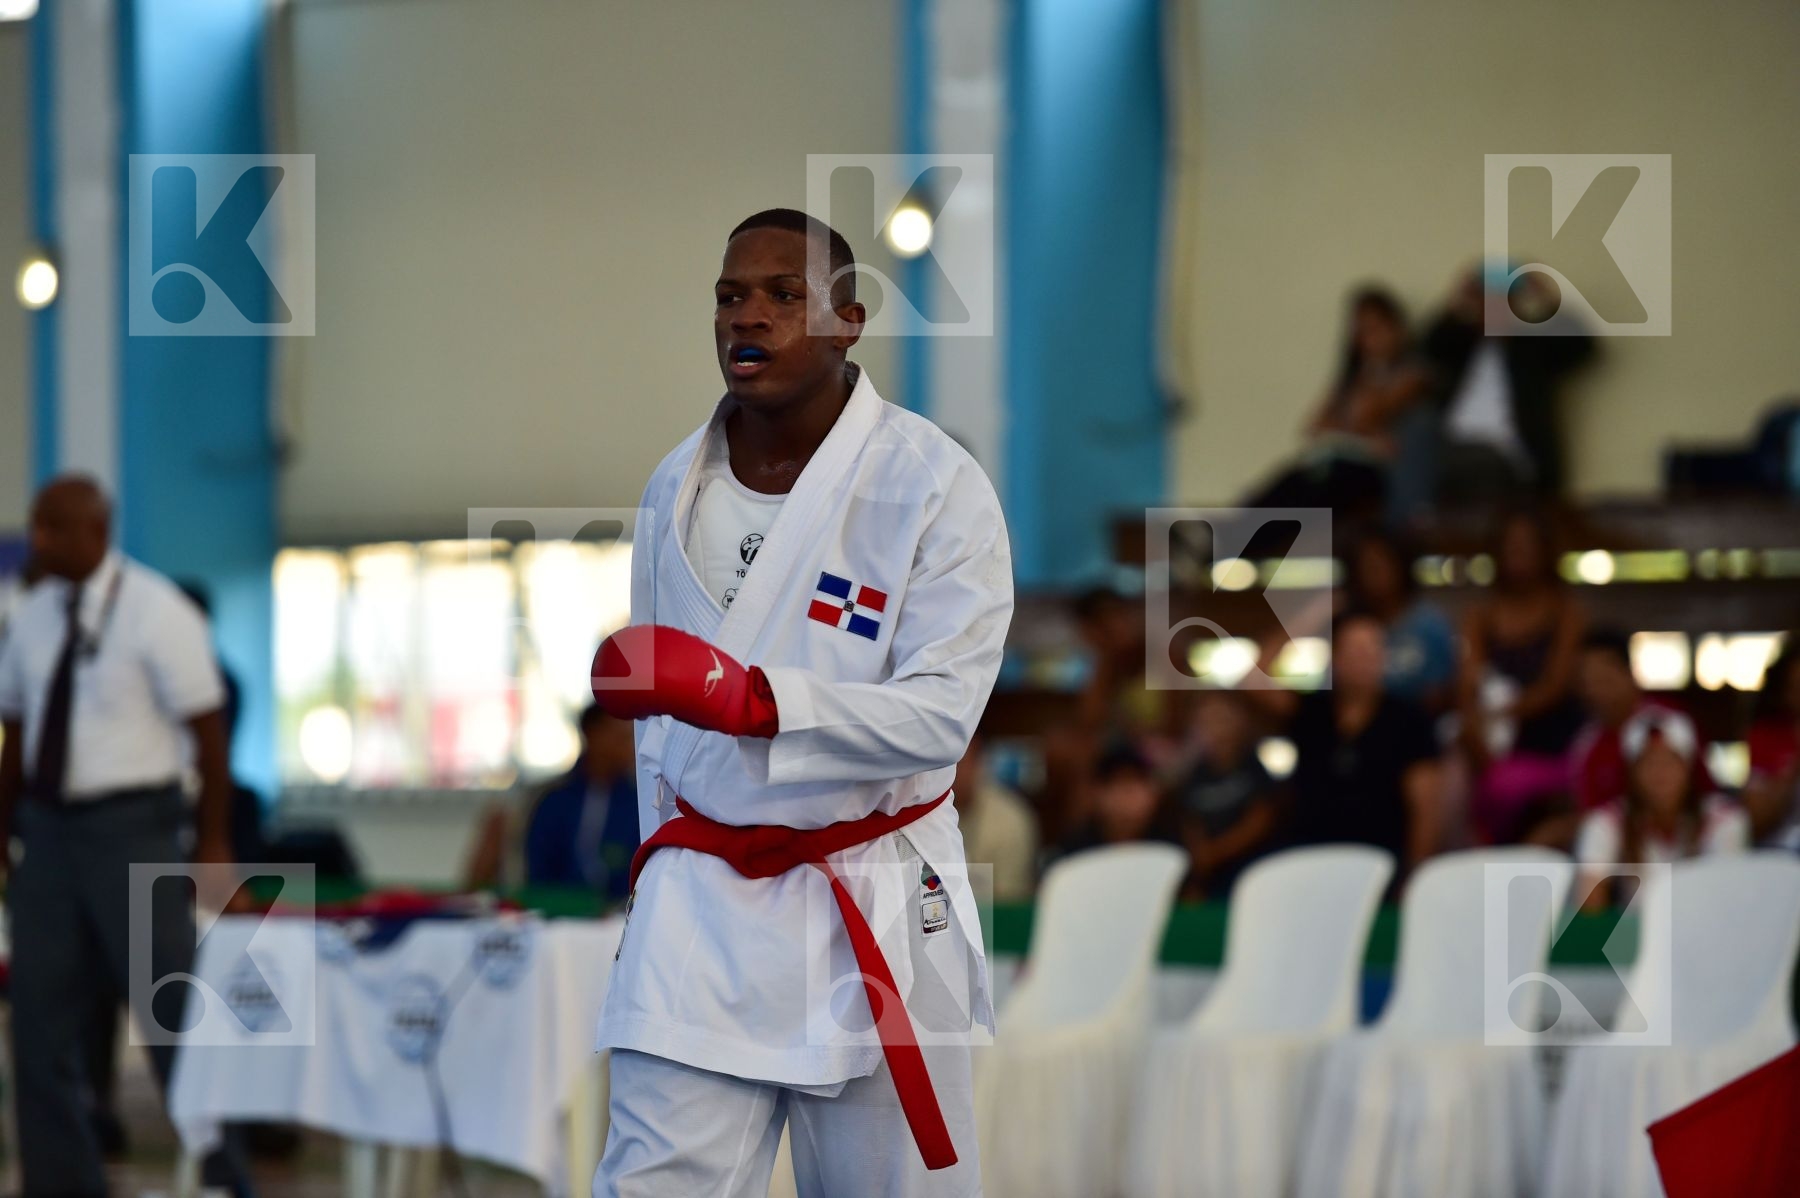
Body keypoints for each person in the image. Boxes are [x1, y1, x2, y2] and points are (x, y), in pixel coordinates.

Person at [586, 210, 1012, 1195]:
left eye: (785, 296)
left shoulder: (932, 483)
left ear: (848, 322)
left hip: (877, 887)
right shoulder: (672, 485)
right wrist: (655, 870)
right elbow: (659, 734)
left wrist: (757, 700)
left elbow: (945, 713)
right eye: (733, 296)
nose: (754, 316)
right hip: (702, 900)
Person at [0, 476, 252, 1197]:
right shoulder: (30, 613)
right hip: (46, 834)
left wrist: (213, 842)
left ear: (96, 532)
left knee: (172, 1013)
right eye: (36, 525)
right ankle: (61, 1183)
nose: (39, 539)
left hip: (132, 829)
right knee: (39, 1024)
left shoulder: (157, 611)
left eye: (54, 527)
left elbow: (210, 733)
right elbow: (14, 733)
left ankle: (226, 1177)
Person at [1283, 611, 1442, 890]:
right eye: (1353, 649)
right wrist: (1315, 614)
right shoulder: (1312, 713)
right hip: (1308, 862)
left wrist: (1414, 879)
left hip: (1381, 868)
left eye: (1373, 648)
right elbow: (1251, 679)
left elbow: (1426, 808)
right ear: (1335, 657)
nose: (1364, 659)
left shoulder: (1410, 720)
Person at [1458, 509, 1587, 843]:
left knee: (1502, 787)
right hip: (1494, 743)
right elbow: (1470, 682)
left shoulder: (1565, 611)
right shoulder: (1481, 615)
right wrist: (1477, 730)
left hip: (1553, 743)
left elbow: (1554, 688)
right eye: (1511, 545)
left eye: (1527, 545)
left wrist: (1502, 712)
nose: (1518, 553)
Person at [1248, 285, 1431, 521]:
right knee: (1289, 482)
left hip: (1369, 473)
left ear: (1397, 328)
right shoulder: (1351, 378)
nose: (1370, 339)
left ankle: (1232, 539)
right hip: (1334, 460)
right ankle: (1224, 535)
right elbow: (1314, 427)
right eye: (1363, 331)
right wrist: (1363, 433)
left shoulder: (1412, 375)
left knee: (1318, 489)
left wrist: (1353, 419)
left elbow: (1369, 414)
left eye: (1377, 328)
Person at [1422, 264, 1596, 505]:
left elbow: (1584, 347)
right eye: (1487, 302)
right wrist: (1458, 299)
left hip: (1506, 453)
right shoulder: (1461, 347)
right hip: (1450, 446)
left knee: (1453, 464)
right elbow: (1428, 348)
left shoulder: (1531, 350)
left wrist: (1548, 300)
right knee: (1420, 448)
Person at [1575, 708, 1749, 910]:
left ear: (1689, 767)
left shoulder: (1725, 818)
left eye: (1670, 761)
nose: (1660, 774)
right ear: (1631, 773)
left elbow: (1728, 900)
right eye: (1648, 763)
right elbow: (1588, 906)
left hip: (1703, 932)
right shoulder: (1606, 821)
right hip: (1635, 936)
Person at [523, 705, 641, 901]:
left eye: (630, 738)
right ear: (592, 734)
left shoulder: (639, 805)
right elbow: (538, 875)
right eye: (621, 737)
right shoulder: (554, 802)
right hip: (557, 916)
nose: (630, 746)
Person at [1170, 691, 1279, 898]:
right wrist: (1200, 860)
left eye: (1223, 717)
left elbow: (1261, 820)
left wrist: (1216, 852)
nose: (1217, 728)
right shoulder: (1194, 774)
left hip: (1255, 873)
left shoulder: (1253, 767)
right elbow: (1190, 822)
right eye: (1206, 719)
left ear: (1241, 719)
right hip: (1209, 882)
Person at [1344, 529, 1457, 712]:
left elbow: (1441, 694)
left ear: (1399, 564)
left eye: (1382, 562)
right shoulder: (1349, 626)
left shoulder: (1430, 624)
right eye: (1367, 565)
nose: (1375, 572)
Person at [950, 728, 1039, 902]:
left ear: (978, 760)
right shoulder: (915, 815)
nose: (947, 773)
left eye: (957, 763)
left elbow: (1008, 905)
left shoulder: (1011, 819)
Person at [1058, 742, 1183, 856]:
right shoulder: (1077, 852)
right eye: (1117, 784)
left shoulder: (1170, 850)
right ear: (1096, 794)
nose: (1127, 796)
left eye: (1135, 783)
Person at [1744, 641, 1800, 847]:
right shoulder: (1766, 736)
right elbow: (1756, 823)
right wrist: (1793, 768)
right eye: (1795, 686)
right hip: (1778, 856)